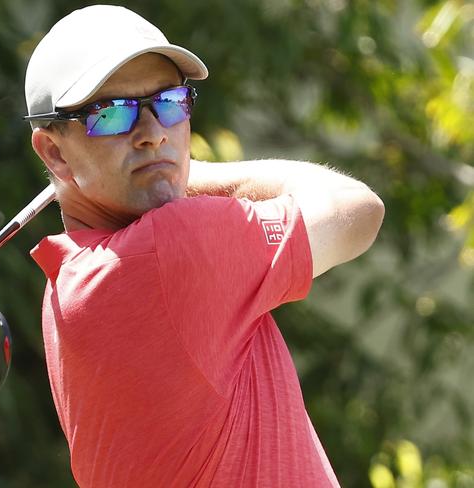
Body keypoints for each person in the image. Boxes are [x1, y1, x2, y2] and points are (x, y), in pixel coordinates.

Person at [24, 5, 384, 487]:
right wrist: (186, 170)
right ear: (54, 151)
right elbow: (357, 209)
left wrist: (164, 172)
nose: (153, 135)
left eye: (169, 102)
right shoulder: (172, 248)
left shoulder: (67, 289)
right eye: (109, 114)